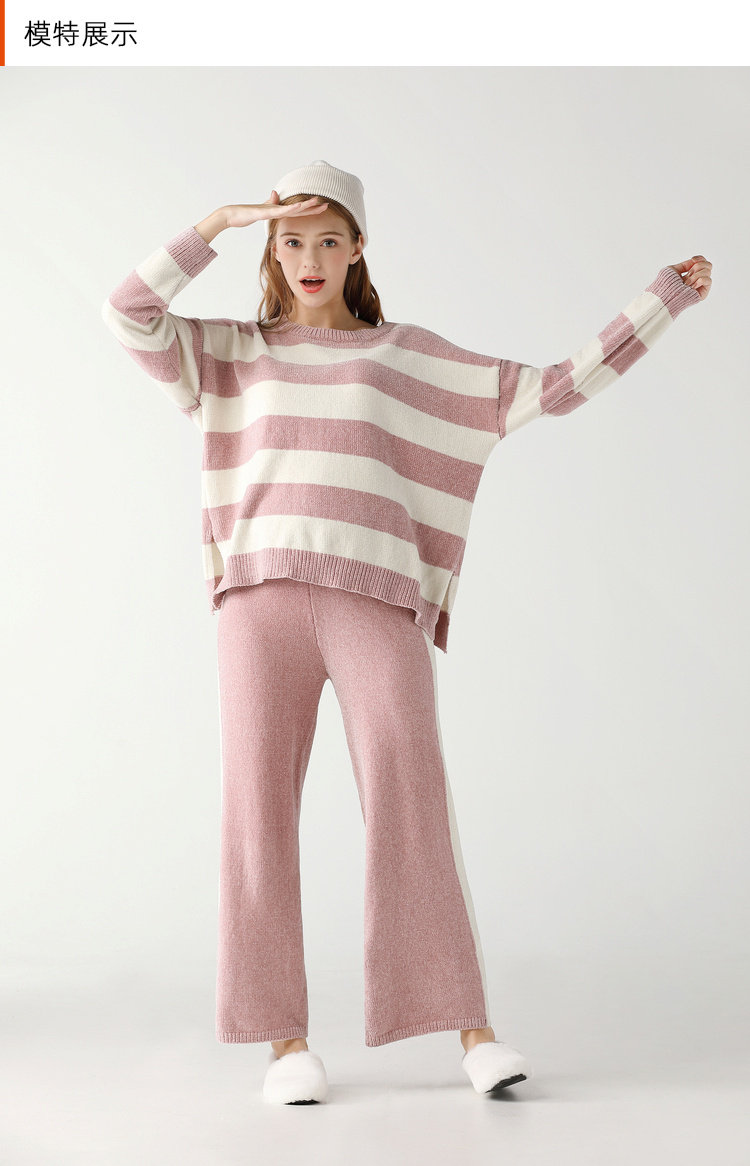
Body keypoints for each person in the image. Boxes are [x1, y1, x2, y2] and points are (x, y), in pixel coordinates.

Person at [101, 160, 712, 1104]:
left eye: (328, 239)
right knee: (255, 813)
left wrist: (661, 299)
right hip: (259, 604)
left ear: (358, 249)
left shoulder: (404, 357)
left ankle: (472, 1031)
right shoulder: (228, 354)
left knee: (410, 798)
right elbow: (129, 312)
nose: (309, 258)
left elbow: (551, 389)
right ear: (272, 248)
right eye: (291, 240)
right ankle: (284, 1045)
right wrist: (215, 222)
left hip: (375, 602)